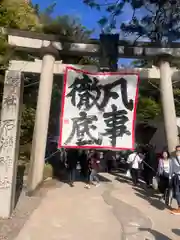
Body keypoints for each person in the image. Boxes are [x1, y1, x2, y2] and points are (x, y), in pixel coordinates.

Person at [169, 145, 180, 215]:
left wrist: (179, 157)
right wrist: (170, 177)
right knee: (177, 193)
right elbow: (171, 168)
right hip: (176, 177)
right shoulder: (173, 158)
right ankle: (179, 207)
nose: (178, 152)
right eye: (177, 150)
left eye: (179, 150)